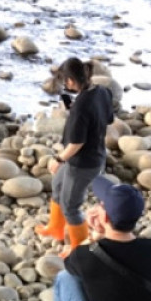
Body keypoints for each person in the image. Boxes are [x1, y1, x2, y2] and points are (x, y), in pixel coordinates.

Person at [36, 57, 113, 258]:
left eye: (64, 81)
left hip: (83, 163)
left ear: (70, 81)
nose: (65, 85)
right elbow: (107, 118)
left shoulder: (82, 106)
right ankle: (55, 228)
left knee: (71, 205)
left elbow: (77, 143)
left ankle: (78, 248)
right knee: (58, 187)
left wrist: (58, 159)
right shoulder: (102, 92)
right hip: (94, 154)